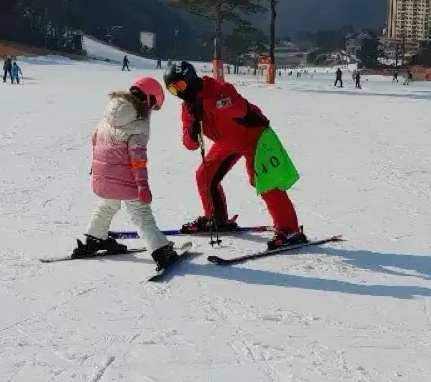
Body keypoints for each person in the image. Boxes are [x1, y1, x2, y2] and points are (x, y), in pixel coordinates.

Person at [164, 60, 306, 251]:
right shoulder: (188, 108)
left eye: (179, 86)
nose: (179, 93)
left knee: (264, 181)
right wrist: (193, 127)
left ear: (190, 79)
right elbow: (190, 145)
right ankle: (215, 219)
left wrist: (206, 105)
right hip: (226, 142)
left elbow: (239, 107)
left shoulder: (218, 88)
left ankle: (290, 229)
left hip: (254, 136)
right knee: (204, 175)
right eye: (173, 90)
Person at [72, 76, 180, 271]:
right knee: (141, 214)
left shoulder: (111, 111)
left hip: (102, 175)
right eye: (154, 104)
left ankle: (95, 239)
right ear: (148, 98)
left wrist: (96, 169)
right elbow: (137, 158)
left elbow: (95, 137)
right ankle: (162, 251)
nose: (152, 110)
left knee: (107, 204)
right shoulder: (138, 122)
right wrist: (143, 186)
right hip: (125, 179)